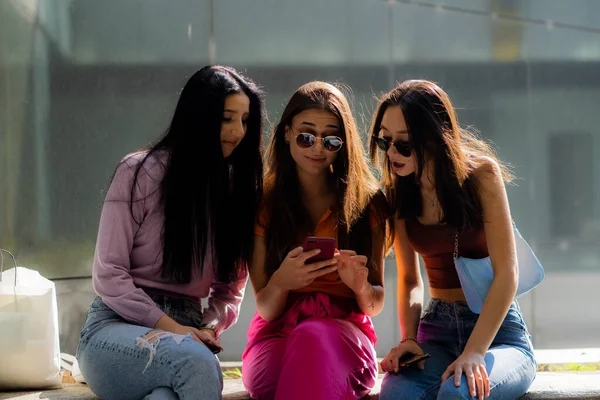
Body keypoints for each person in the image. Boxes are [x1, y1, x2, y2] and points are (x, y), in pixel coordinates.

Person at [76, 65, 264, 400]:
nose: (238, 131)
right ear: (199, 115)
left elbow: (230, 287)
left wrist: (207, 328)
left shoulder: (235, 190)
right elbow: (108, 275)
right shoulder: (138, 172)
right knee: (195, 363)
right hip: (116, 329)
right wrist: (177, 331)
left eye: (245, 120)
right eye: (226, 118)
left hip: (187, 330)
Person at [371, 80, 536, 400]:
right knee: (396, 394)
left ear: (434, 137)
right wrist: (408, 339)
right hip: (436, 331)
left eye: (403, 144)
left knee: (458, 394)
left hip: (498, 334)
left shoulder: (481, 176)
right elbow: (408, 279)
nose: (392, 153)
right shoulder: (398, 193)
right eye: (385, 142)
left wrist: (475, 351)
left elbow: (508, 274)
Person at [242, 81, 389, 400]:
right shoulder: (265, 203)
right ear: (286, 134)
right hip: (277, 333)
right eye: (306, 136)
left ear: (345, 143)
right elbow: (266, 308)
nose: (317, 148)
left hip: (345, 334)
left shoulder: (367, 203)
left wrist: (360, 286)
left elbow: (375, 303)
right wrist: (282, 282)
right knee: (301, 358)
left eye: (331, 139)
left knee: (311, 342)